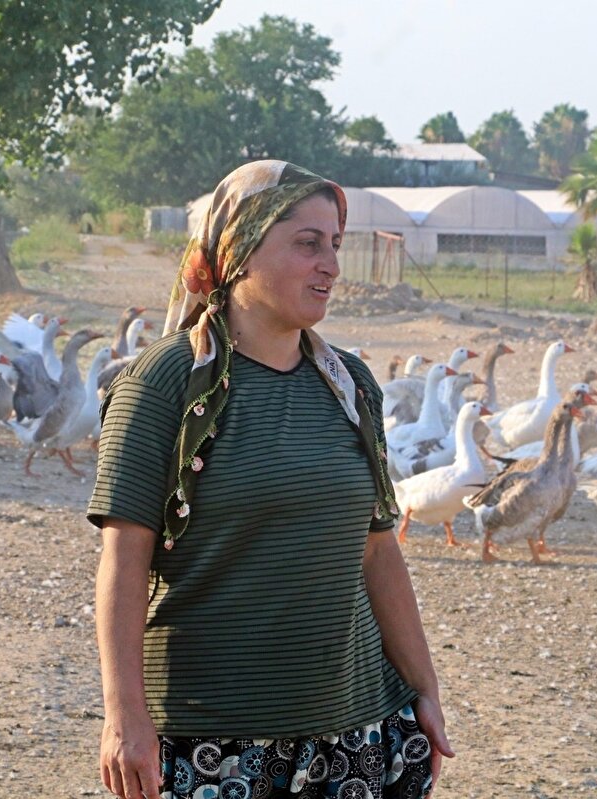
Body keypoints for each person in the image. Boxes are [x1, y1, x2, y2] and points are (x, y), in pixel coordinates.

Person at [88, 160, 453, 799]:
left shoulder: (350, 386)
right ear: (239, 251)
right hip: (211, 737)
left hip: (359, 732)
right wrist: (124, 717)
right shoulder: (164, 383)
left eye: (335, 244)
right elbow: (123, 558)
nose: (332, 265)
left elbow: (377, 550)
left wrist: (424, 689)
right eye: (307, 243)